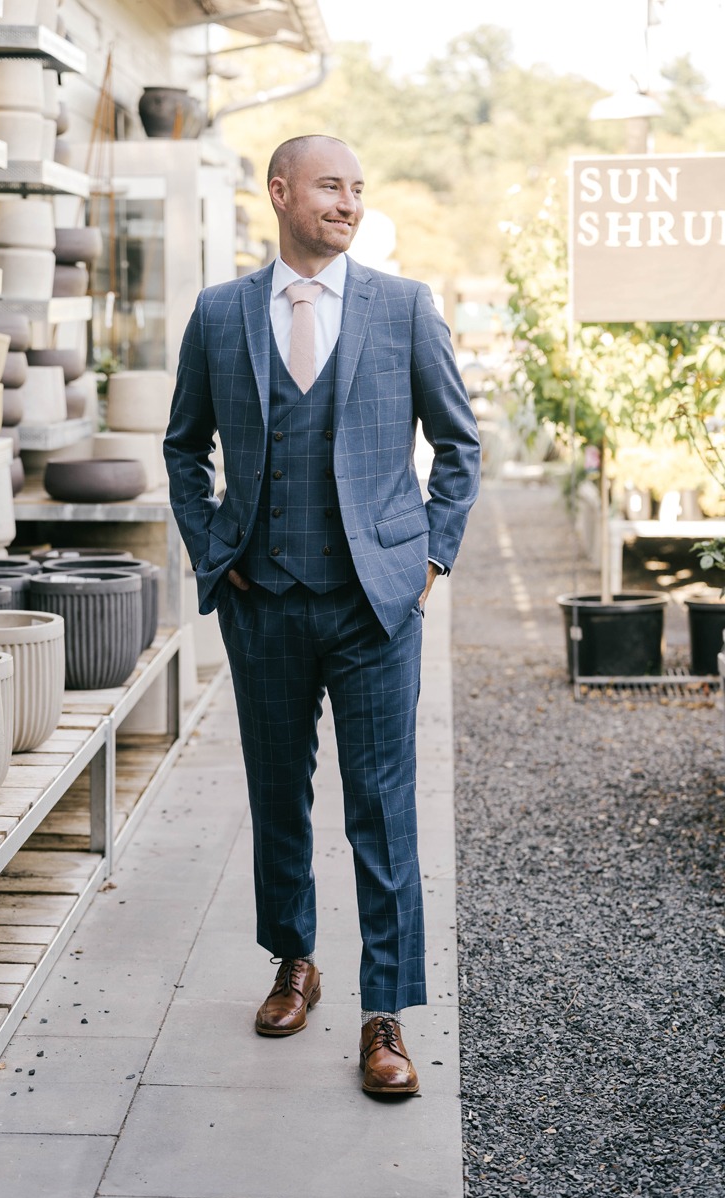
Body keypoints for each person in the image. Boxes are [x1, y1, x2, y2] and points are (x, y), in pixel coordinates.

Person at [164, 134, 481, 1096]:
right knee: (277, 798)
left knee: (383, 812)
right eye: (331, 186)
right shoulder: (221, 315)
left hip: (375, 606)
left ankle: (384, 1012)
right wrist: (215, 551)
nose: (348, 202)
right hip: (262, 604)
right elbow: (184, 448)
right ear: (279, 192)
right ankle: (293, 961)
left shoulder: (403, 306)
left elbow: (459, 446)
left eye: (356, 189)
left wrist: (428, 557)